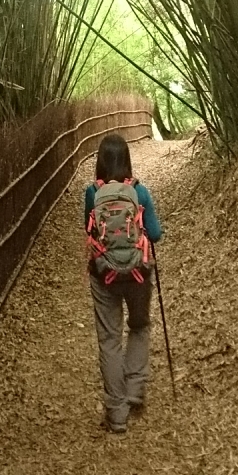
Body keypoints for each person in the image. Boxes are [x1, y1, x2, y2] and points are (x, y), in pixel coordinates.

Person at [84, 133, 163, 434]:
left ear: (99, 162)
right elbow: (155, 234)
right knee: (140, 326)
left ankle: (116, 414)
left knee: (109, 339)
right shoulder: (140, 192)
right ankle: (134, 389)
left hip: (103, 273)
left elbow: (89, 229)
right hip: (138, 272)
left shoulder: (92, 193)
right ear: (127, 160)